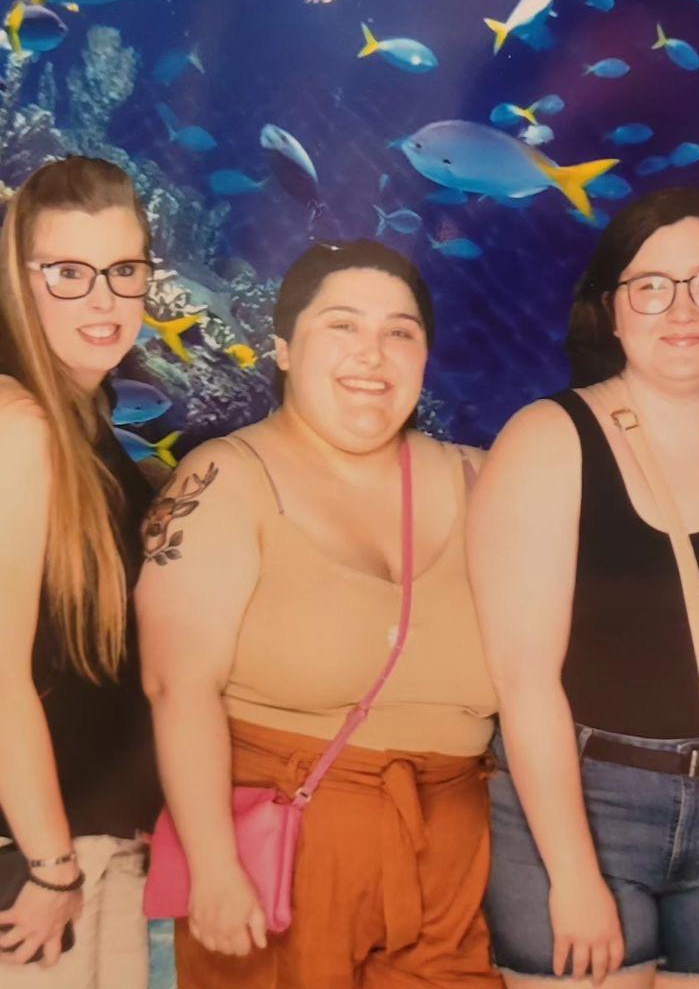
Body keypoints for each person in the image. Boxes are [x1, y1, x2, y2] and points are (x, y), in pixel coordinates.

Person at [468, 188, 699, 989]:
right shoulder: (547, 441)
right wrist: (574, 876)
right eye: (650, 286)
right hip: (587, 804)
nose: (682, 309)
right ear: (611, 311)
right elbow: (523, 684)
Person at [137, 239, 501, 988]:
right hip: (281, 858)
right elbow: (177, 687)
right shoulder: (224, 479)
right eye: (342, 326)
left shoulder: (483, 478)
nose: (372, 355)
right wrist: (212, 867)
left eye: (399, 332)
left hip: (453, 859)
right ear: (282, 348)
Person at [0, 157, 161, 985]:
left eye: (123, 269)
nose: (103, 300)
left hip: (95, 840)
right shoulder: (19, 421)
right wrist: (51, 865)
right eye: (69, 272)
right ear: (21, 279)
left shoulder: (84, 420)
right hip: (37, 864)